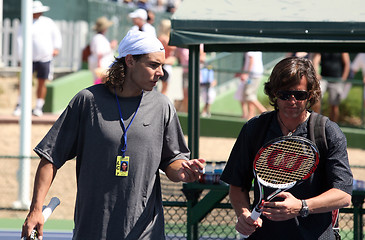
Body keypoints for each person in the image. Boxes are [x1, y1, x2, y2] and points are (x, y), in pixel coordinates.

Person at [21, 30, 205, 240]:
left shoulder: (162, 105)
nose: (161, 72)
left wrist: (182, 171)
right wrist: (36, 209)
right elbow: (51, 157)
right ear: (130, 61)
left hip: (146, 233)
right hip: (92, 231)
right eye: (154, 65)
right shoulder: (87, 101)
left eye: (162, 65)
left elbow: (172, 159)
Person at [220, 57, 353, 239]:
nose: (292, 101)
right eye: (284, 94)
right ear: (274, 93)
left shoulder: (327, 131)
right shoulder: (255, 128)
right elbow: (237, 185)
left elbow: (343, 195)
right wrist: (243, 214)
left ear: (310, 94)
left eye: (299, 95)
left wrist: (301, 206)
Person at [14, 0, 62, 117]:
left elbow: (56, 36)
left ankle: (38, 107)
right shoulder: (24, 23)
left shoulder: (48, 22)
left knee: (42, 82)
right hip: (28, 59)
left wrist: (56, 48)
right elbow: (19, 40)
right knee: (24, 82)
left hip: (44, 58)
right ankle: (20, 105)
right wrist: (20, 57)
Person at [312, 53, 351, 122]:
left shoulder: (342, 46)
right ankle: (315, 123)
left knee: (334, 105)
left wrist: (343, 79)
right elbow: (316, 60)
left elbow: (347, 63)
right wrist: (316, 74)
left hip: (337, 79)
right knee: (316, 99)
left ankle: (333, 127)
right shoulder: (323, 44)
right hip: (323, 78)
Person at [234, 52, 267, 120]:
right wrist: (242, 72)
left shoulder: (250, 49)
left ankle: (265, 113)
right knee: (250, 95)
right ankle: (251, 115)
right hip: (254, 74)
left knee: (248, 94)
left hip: (252, 75)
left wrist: (246, 74)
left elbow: (251, 60)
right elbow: (248, 62)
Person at [88, 16, 118, 85]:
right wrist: (99, 68)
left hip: (101, 66)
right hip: (101, 66)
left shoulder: (99, 38)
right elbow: (99, 53)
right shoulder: (98, 38)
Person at [157, 19, 176, 95]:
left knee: (164, 88)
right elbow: (174, 47)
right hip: (165, 65)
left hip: (165, 64)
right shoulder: (164, 38)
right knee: (164, 89)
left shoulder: (161, 37)